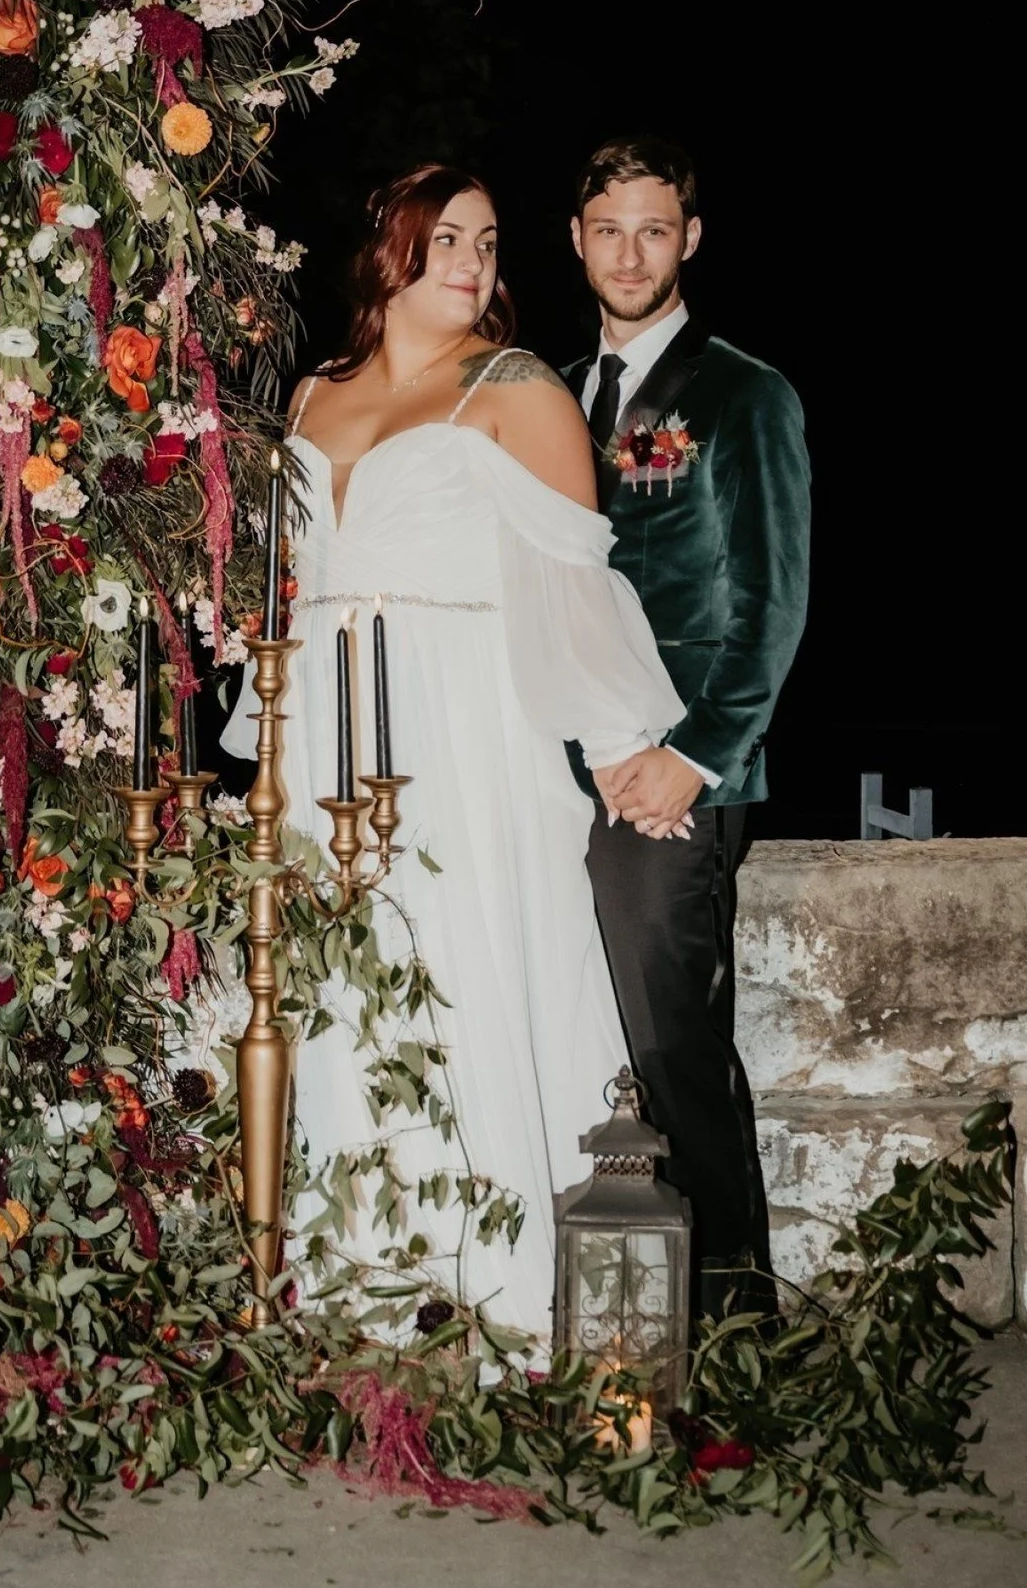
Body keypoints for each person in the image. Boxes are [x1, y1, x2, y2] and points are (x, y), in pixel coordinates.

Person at [222, 162, 684, 1350]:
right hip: (326, 720)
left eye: (486, 240)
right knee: (336, 990)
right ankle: (347, 1286)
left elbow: (571, 580)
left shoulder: (514, 387)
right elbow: (286, 585)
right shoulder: (314, 392)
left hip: (465, 726)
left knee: (466, 965)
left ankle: (494, 1289)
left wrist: (623, 749)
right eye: (446, 240)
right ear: (389, 251)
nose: (474, 262)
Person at [562, 135, 810, 1321]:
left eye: (653, 229)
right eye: (608, 229)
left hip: (676, 776)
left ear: (689, 240)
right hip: (561, 764)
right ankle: (605, 1313)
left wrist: (694, 760)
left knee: (671, 1051)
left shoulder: (742, 393)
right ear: (576, 240)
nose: (629, 252)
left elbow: (771, 609)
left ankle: (729, 1320)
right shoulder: (551, 397)